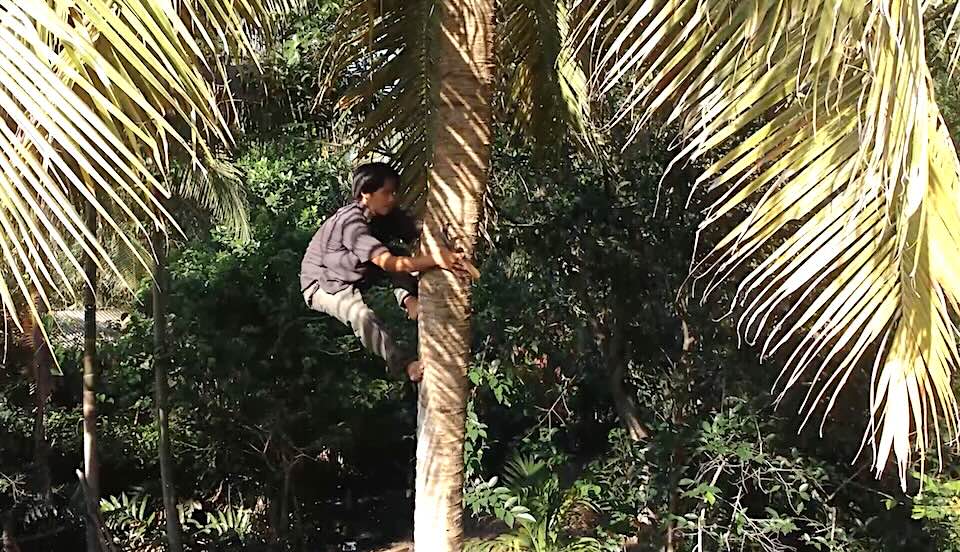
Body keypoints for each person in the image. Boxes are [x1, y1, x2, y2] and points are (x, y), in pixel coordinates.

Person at [300, 162, 464, 382]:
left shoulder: (385, 215)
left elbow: (418, 230)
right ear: (365, 193)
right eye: (386, 193)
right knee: (361, 316)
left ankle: (410, 303)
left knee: (398, 252)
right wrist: (436, 260)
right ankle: (406, 366)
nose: (392, 198)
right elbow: (390, 264)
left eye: (394, 192)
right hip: (323, 283)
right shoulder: (351, 223)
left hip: (354, 271)